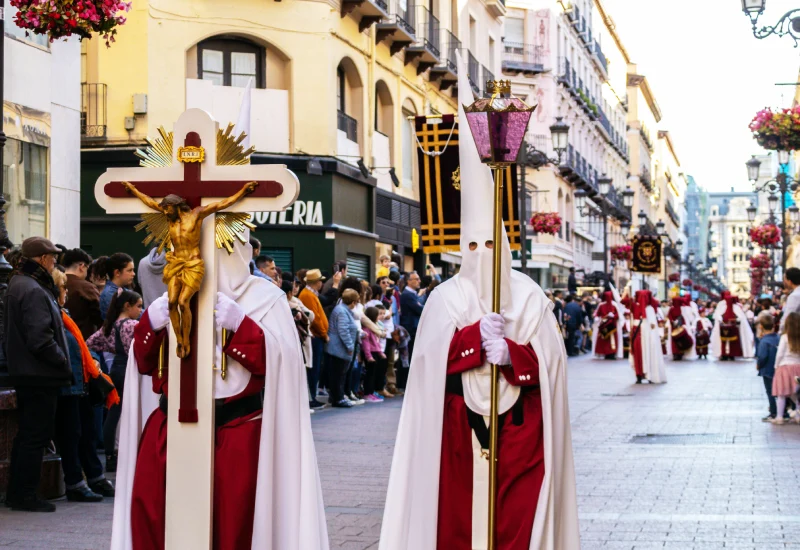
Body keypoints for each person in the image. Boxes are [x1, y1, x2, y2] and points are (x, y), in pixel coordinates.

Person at [380, 57, 579, 549]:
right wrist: (471, 342)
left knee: (515, 528)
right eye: (471, 246)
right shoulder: (445, 297)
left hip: (518, 432)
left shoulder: (531, 295)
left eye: (489, 245)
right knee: (458, 526)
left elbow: (552, 366)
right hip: (456, 432)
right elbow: (424, 364)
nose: (480, 255)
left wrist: (514, 355)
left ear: (505, 245)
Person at [110, 229, 329, 550]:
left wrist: (242, 328)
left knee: (234, 527)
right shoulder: (172, 294)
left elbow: (283, 366)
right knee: (156, 520)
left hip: (237, 433)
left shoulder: (264, 298)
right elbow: (143, 366)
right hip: (171, 429)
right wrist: (150, 325)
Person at [4, 237, 72, 512]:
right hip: (39, 373)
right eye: (52, 256)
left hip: (31, 372)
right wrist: (63, 362)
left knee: (28, 435)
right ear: (43, 259)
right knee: (35, 436)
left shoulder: (22, 284)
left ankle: (18, 493)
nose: (55, 260)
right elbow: (40, 338)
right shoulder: (32, 288)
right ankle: (24, 494)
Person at [51, 269, 117, 502]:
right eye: (63, 288)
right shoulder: (57, 315)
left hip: (81, 381)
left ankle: (95, 476)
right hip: (69, 382)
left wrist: (93, 363)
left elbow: (79, 345)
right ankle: (76, 482)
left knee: (86, 432)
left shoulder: (65, 314)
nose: (66, 292)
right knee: (72, 433)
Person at [87, 289, 142, 472]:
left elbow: (89, 343)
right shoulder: (132, 325)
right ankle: (129, 452)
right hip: (129, 369)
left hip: (115, 369)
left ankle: (110, 456)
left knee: (114, 413)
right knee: (130, 411)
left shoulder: (109, 326)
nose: (140, 311)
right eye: (138, 306)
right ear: (128, 306)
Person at [298, 269, 329, 410]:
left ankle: (313, 397)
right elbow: (314, 319)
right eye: (320, 280)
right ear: (317, 282)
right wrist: (324, 333)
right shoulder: (308, 295)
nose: (322, 283)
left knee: (315, 367)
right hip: (316, 337)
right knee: (313, 368)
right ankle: (311, 398)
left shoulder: (310, 294)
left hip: (318, 336)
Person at [326, 288, 360, 408]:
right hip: (338, 349)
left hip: (339, 349)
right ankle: (338, 398)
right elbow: (343, 330)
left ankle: (338, 397)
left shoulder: (343, 310)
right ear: (353, 302)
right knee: (338, 375)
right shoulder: (342, 311)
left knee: (339, 374)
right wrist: (350, 346)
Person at [63, 248, 103, 340]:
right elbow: (100, 317)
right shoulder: (86, 288)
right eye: (87, 268)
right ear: (81, 266)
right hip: (81, 340)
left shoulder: (54, 283)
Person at [629, 290, 667, 384]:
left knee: (647, 353)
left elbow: (652, 325)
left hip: (644, 336)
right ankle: (639, 374)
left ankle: (648, 374)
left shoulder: (650, 309)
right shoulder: (636, 306)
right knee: (638, 354)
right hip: (638, 334)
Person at [770, 312, 800, 425]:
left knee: (781, 394)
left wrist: (776, 366)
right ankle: (798, 416)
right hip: (798, 367)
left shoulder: (784, 337)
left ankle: (779, 417)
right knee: (797, 394)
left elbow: (780, 354)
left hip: (784, 366)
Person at [711, 291, 755, 361]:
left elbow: (741, 317)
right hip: (723, 328)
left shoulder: (735, 306)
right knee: (723, 342)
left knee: (733, 343)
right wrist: (721, 320)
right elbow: (717, 315)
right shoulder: (721, 305)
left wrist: (735, 320)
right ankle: (723, 354)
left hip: (734, 328)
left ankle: (732, 354)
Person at [96, 253, 136, 319]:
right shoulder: (109, 294)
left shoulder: (124, 291)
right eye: (129, 270)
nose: (133, 274)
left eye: (133, 270)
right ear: (117, 272)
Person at [361, 306, 388, 403]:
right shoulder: (367, 329)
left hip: (375, 352)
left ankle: (371, 392)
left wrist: (380, 352)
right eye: (378, 315)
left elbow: (376, 343)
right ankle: (367, 393)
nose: (380, 317)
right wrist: (368, 356)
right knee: (369, 374)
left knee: (374, 373)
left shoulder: (375, 327)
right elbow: (366, 344)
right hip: (370, 353)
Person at [756, 314, 780, 422]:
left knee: (770, 392)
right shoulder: (778, 338)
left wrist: (758, 365)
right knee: (780, 391)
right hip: (778, 369)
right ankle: (783, 411)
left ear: (761, 326)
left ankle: (773, 412)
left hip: (767, 370)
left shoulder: (764, 341)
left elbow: (762, 356)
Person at [399, 270, 424, 356]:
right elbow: (420, 309)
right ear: (408, 281)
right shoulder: (407, 294)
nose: (419, 281)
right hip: (410, 329)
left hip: (413, 328)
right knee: (409, 354)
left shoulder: (412, 294)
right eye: (416, 279)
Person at [592, 291, 621, 359]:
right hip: (603, 325)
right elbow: (597, 314)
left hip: (612, 326)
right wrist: (597, 318)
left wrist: (613, 316)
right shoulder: (601, 305)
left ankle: (612, 353)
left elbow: (617, 315)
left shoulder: (614, 305)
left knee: (611, 340)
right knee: (603, 341)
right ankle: (605, 353)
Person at [781, 267, 800, 332]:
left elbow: (787, 317)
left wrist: (780, 331)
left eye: (785, 279)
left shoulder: (794, 296)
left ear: (790, 281)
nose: (784, 282)